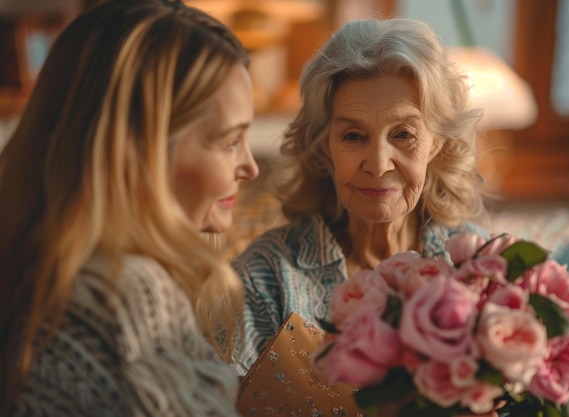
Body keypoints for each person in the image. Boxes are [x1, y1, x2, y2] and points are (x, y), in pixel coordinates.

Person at [0, 0, 259, 415]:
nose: (250, 166)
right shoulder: (117, 297)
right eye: (230, 141)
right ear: (142, 151)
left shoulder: (39, 272)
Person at [232, 17, 489, 375]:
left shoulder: (481, 266)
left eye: (403, 135)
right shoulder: (266, 278)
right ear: (324, 146)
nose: (379, 165)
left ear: (437, 144)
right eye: (353, 136)